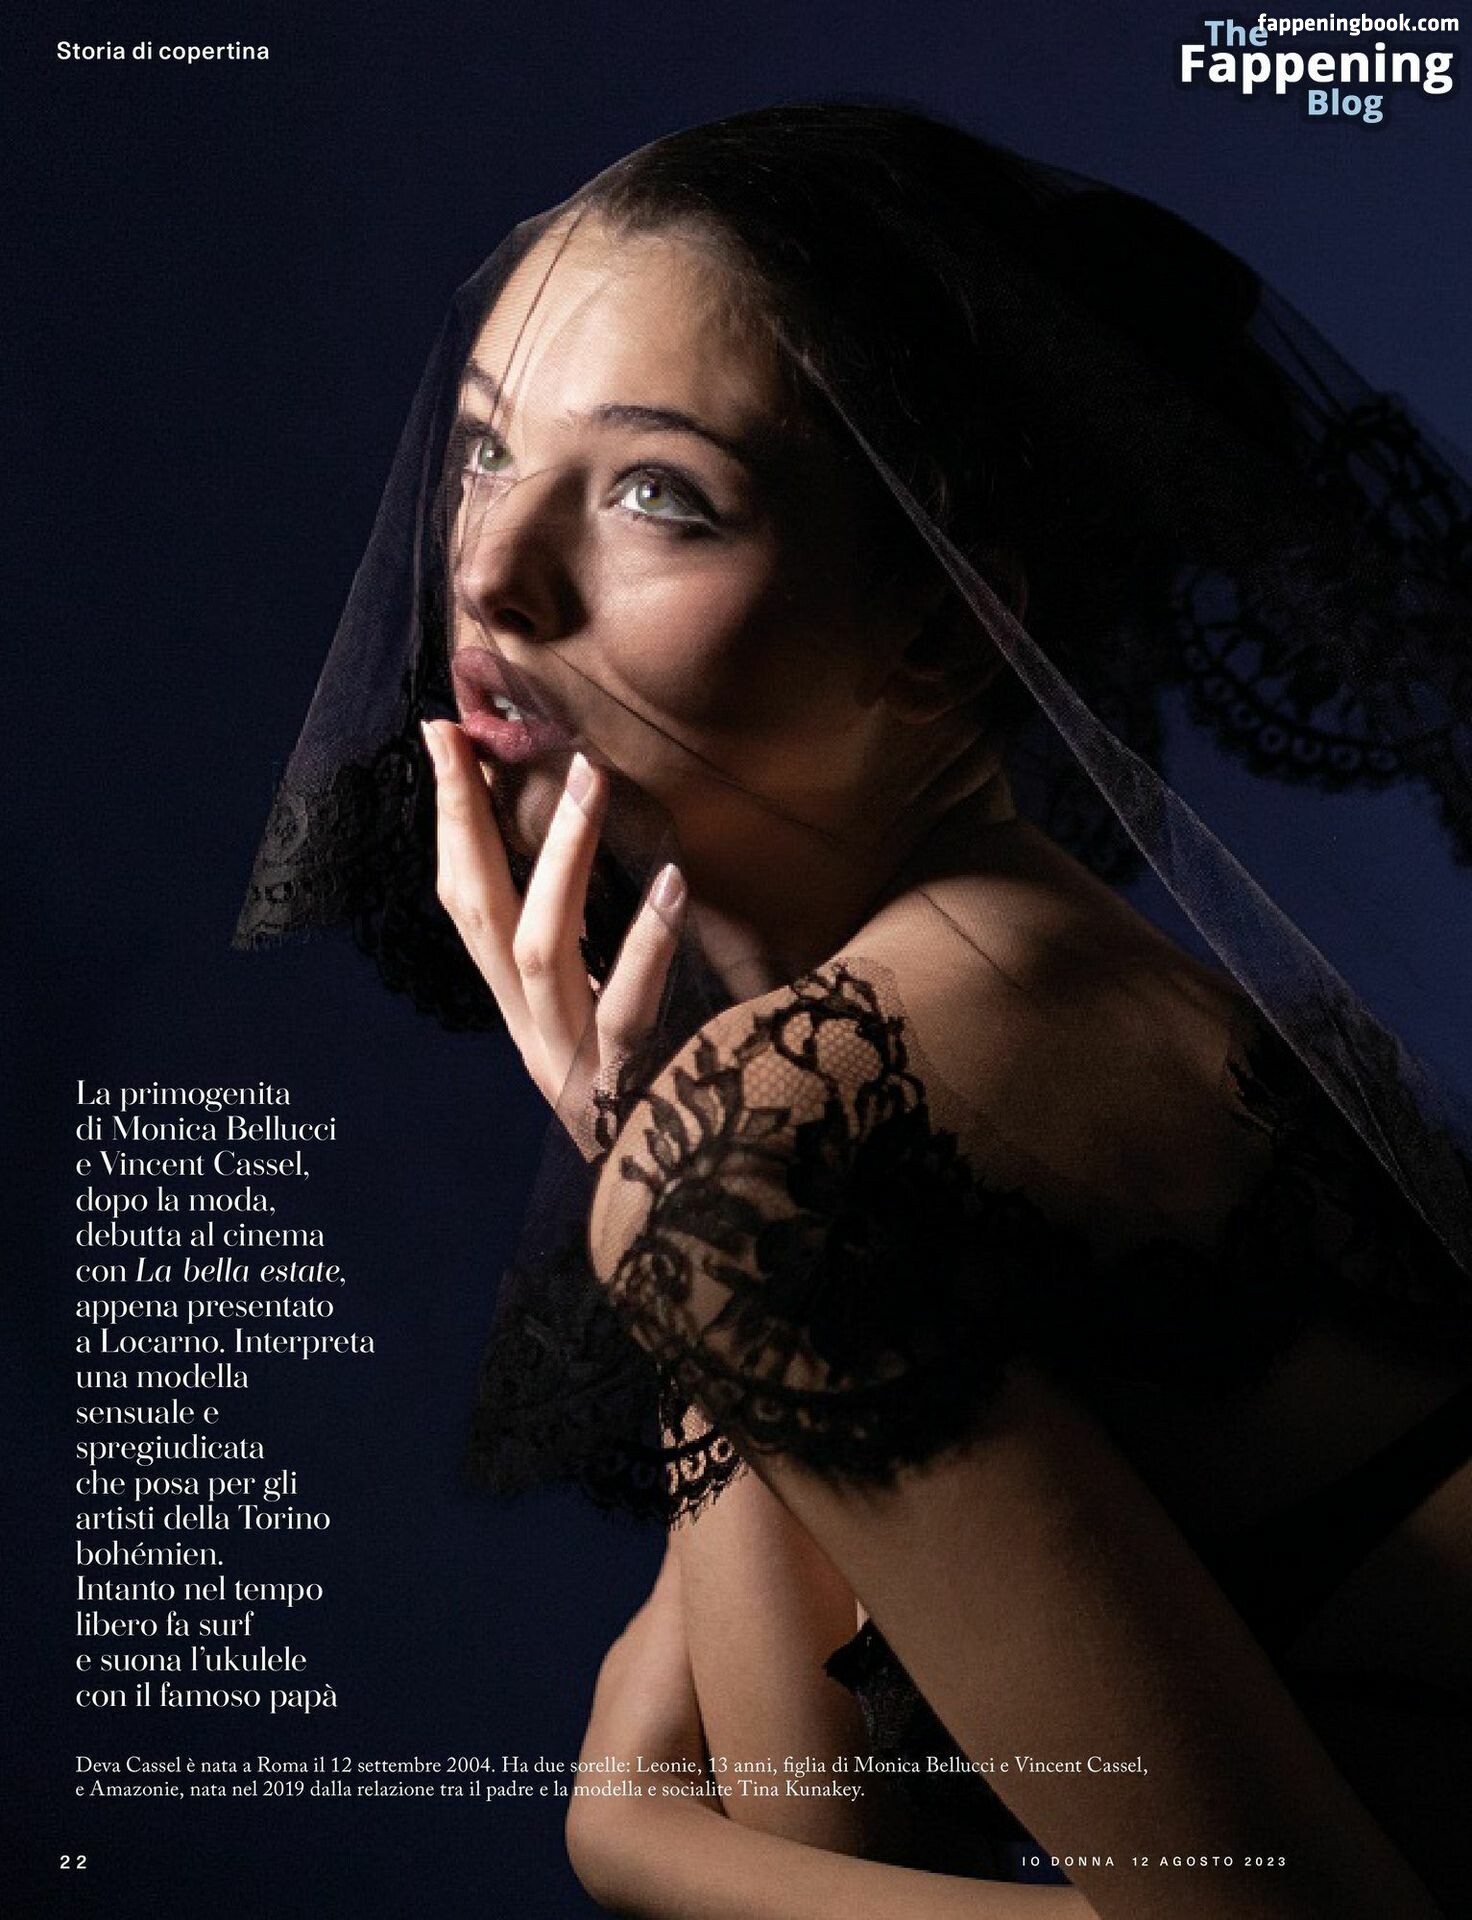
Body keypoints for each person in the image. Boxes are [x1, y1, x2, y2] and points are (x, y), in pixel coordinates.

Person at [239, 104, 1472, 1918]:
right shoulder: (1000, 968)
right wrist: (649, 1153)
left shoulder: (815, 1111)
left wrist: (630, 1841)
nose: (491, 572)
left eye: (657, 493)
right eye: (488, 450)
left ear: (944, 630)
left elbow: (813, 1843)